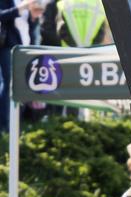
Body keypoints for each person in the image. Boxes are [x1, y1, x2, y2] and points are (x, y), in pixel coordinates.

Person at [0, 0, 37, 132]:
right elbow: (2, 15)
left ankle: (17, 124)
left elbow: (28, 26)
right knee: (8, 83)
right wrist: (20, 8)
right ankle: (4, 125)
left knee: (21, 85)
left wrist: (33, 17)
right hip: (8, 46)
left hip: (25, 47)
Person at [41, 0, 106, 47]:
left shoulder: (61, 4)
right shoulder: (99, 4)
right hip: (91, 54)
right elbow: (101, 33)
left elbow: (50, 31)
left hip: (65, 55)